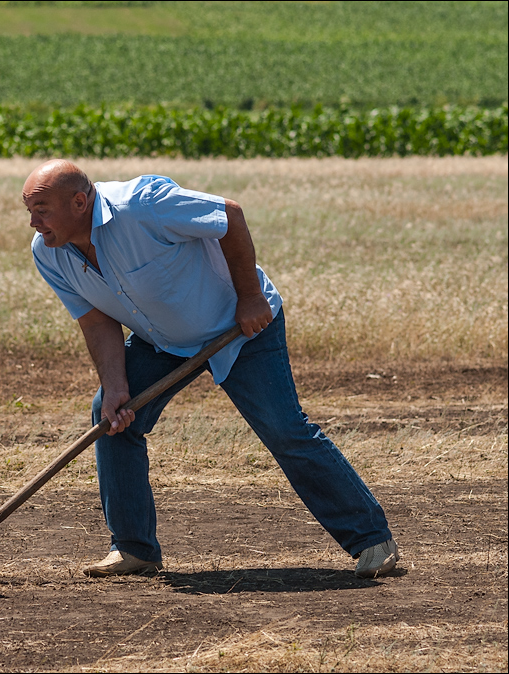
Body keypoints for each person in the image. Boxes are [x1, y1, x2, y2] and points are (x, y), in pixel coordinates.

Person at [22, 159, 399, 579]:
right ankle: (133, 549)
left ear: (79, 202)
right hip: (164, 342)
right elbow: (96, 320)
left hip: (240, 327)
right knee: (113, 418)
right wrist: (114, 386)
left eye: (42, 210)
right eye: (29, 211)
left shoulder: (143, 205)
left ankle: (372, 540)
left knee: (284, 428)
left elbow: (230, 216)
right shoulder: (48, 253)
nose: (34, 222)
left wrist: (250, 297)